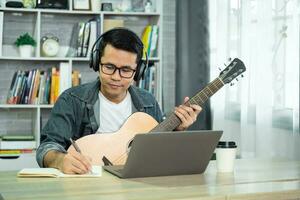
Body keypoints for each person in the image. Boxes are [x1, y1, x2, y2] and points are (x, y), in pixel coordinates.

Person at [36, 28, 202, 174]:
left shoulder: (148, 101)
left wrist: (178, 130)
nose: (116, 77)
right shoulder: (71, 99)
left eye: (126, 70)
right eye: (109, 67)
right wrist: (59, 161)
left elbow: (160, 150)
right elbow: (47, 147)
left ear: (138, 72)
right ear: (96, 63)